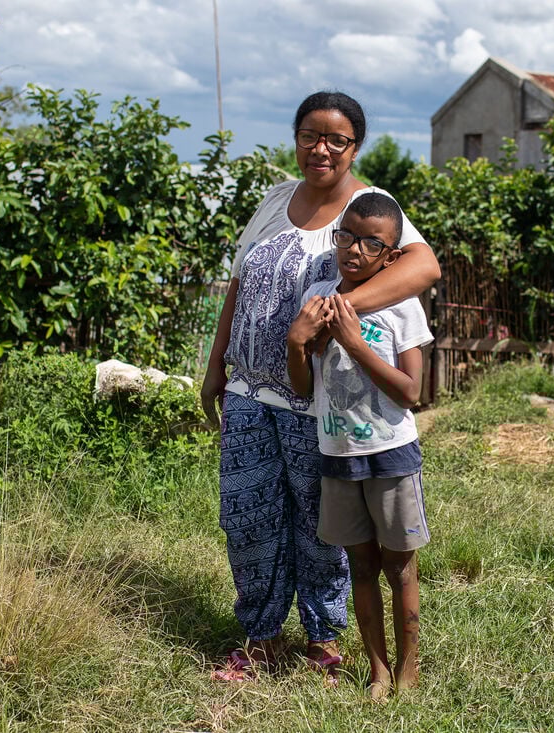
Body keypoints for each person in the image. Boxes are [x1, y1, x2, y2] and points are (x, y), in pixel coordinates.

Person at [200, 92, 440, 683]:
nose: (321, 149)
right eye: (310, 135)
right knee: (246, 517)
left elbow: (421, 268)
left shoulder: (367, 209)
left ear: (355, 146)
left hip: (318, 403)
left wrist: (330, 316)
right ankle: (259, 636)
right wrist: (216, 366)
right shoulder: (275, 199)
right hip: (249, 394)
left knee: (319, 527)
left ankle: (323, 639)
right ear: (296, 137)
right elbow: (237, 286)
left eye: (336, 139)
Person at [287, 192, 432, 700]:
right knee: (362, 567)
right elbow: (304, 388)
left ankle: (409, 671)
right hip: (337, 454)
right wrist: (295, 342)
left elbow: (412, 392)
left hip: (391, 454)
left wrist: (355, 343)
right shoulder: (320, 296)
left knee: (399, 565)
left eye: (372, 243)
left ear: (392, 256)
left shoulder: (402, 304)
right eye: (345, 236)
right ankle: (378, 669)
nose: (354, 249)